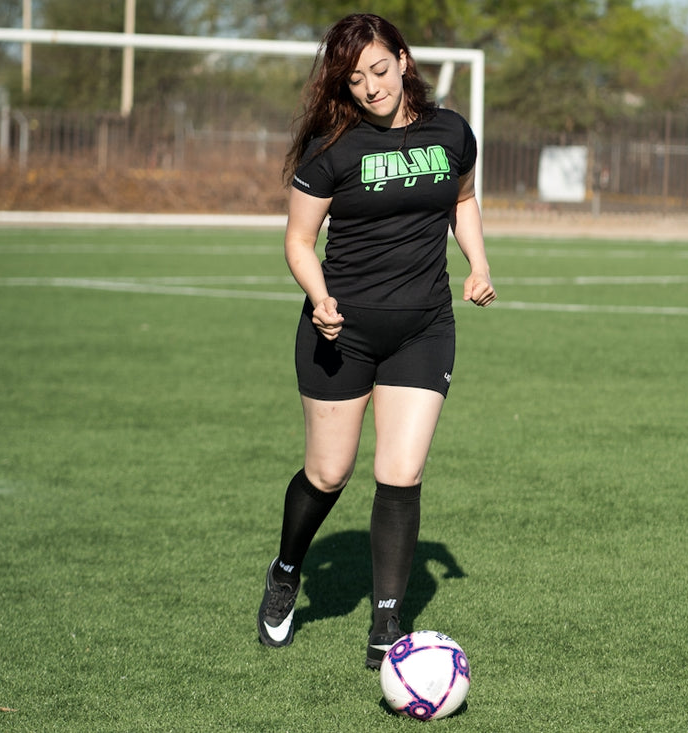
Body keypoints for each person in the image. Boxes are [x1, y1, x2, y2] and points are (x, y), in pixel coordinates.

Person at [256, 12, 496, 670]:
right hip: (342, 332)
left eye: (380, 70)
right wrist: (320, 298)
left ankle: (386, 622)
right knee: (329, 471)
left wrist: (478, 263)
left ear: (404, 59)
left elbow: (463, 200)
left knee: (401, 470)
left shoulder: (451, 132)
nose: (370, 86)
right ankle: (285, 572)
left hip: (424, 327)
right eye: (356, 78)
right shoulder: (333, 146)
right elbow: (298, 241)